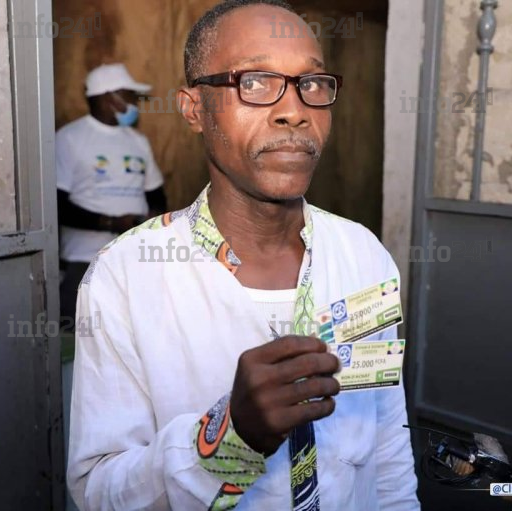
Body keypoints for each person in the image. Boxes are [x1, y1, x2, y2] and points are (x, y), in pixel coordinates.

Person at [67, 2, 420, 510]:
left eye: (311, 83)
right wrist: (228, 437)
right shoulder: (124, 276)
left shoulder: (364, 254)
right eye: (254, 82)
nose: (294, 110)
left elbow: (387, 446)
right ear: (194, 109)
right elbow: (99, 491)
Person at [56, 63, 166, 333]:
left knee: (137, 338)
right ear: (108, 97)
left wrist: (152, 216)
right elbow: (57, 206)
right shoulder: (69, 138)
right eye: (129, 96)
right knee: (80, 340)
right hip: (85, 262)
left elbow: (156, 195)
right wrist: (110, 223)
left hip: (135, 261)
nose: (134, 103)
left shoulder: (137, 141)